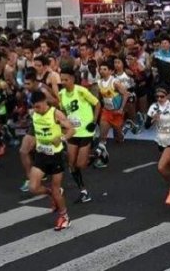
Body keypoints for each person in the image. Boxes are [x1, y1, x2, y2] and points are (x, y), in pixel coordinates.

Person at [26, 90, 76, 231]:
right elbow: (38, 131)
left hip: (56, 156)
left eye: (38, 107)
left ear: (44, 102)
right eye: (34, 107)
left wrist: (61, 138)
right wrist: (34, 142)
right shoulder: (33, 114)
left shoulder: (55, 114)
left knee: (55, 189)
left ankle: (65, 217)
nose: (36, 110)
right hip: (41, 155)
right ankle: (52, 194)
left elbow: (72, 130)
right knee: (33, 187)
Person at [59, 69, 100, 203]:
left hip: (86, 131)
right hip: (73, 132)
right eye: (62, 80)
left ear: (72, 79)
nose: (63, 82)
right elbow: (63, 112)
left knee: (81, 164)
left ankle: (97, 154)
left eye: (66, 79)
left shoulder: (81, 91)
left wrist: (94, 121)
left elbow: (97, 104)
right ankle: (83, 191)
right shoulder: (61, 94)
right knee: (71, 165)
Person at [97, 60, 130, 158]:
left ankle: (125, 129)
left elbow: (125, 94)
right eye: (101, 69)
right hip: (106, 112)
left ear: (111, 71)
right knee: (102, 136)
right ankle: (101, 156)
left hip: (116, 112)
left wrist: (121, 109)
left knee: (119, 138)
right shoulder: (99, 82)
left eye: (105, 69)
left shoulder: (115, 82)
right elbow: (100, 97)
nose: (102, 71)